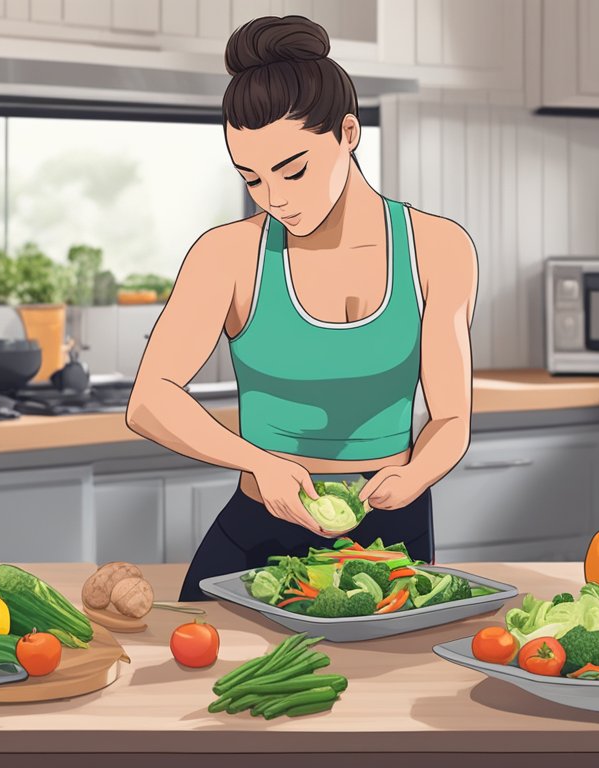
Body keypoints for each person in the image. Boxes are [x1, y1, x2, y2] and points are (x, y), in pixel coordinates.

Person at [125, 15, 478, 601]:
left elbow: (451, 420)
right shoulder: (228, 255)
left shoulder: (437, 249)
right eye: (253, 179)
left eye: (293, 170)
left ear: (348, 132)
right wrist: (259, 463)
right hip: (260, 529)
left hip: (390, 537)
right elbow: (149, 399)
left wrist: (416, 474)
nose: (276, 198)